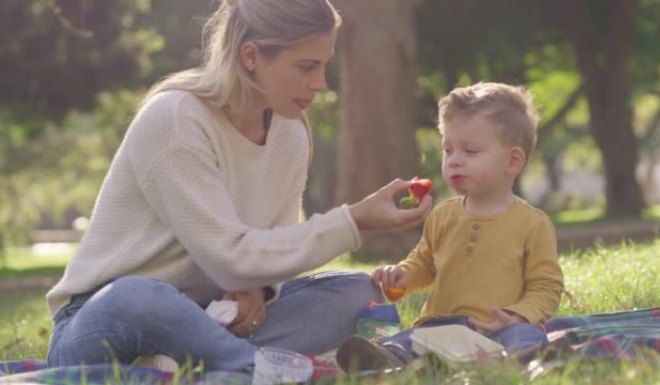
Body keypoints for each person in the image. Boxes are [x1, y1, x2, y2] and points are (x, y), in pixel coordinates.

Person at [46, 0, 432, 372]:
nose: (320, 84)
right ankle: (257, 369)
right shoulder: (176, 119)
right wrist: (355, 221)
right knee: (137, 295)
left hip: (216, 318)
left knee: (357, 292)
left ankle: (198, 364)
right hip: (104, 325)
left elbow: (276, 246)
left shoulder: (291, 132)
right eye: (306, 67)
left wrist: (260, 291)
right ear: (251, 57)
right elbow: (230, 258)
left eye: (324, 66)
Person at [336, 82, 565, 372]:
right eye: (448, 150)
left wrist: (520, 316)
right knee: (407, 340)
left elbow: (546, 286)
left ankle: (527, 359)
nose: (454, 160)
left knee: (525, 335)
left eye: (470, 151)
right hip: (439, 324)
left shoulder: (532, 224)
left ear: (513, 160)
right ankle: (388, 359)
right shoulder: (442, 215)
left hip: (495, 329)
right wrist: (402, 276)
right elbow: (424, 263)